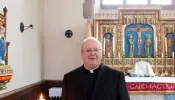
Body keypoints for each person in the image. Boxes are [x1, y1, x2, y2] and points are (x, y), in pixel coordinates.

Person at [61, 37, 130, 100]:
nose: (92, 53)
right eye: (88, 50)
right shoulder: (69, 78)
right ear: (82, 54)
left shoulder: (116, 76)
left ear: (101, 53)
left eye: (96, 50)